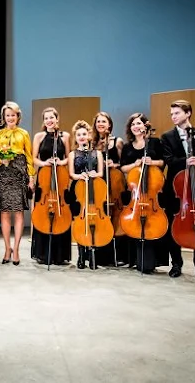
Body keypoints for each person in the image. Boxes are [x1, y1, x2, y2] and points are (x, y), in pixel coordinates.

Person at [160, 100, 195, 281]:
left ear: (188, 113)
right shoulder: (166, 136)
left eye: (177, 113)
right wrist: (186, 160)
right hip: (175, 189)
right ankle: (176, 264)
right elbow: (168, 160)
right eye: (172, 114)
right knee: (175, 227)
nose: (173, 116)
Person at [120, 112, 169, 274]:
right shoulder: (127, 147)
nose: (136, 126)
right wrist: (135, 164)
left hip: (152, 193)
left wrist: (152, 162)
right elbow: (123, 168)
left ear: (145, 126)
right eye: (133, 124)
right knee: (133, 225)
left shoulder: (154, 142)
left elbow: (163, 162)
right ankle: (134, 260)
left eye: (139, 123)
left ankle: (153, 261)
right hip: (135, 194)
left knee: (153, 225)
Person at [0, 101, 35, 265]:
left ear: (17, 116)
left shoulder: (24, 133)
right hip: (4, 175)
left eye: (13, 115)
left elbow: (29, 157)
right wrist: (1, 160)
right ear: (4, 117)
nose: (10, 118)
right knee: (5, 212)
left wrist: (31, 178)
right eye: (7, 115)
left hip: (19, 174)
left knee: (19, 212)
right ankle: (7, 248)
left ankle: (16, 249)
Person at [31, 107, 71, 265]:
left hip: (60, 177)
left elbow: (69, 157)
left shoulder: (65, 136)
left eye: (51, 118)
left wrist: (61, 162)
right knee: (43, 213)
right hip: (44, 178)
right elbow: (34, 158)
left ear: (57, 119)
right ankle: (43, 253)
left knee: (61, 212)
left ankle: (59, 254)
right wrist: (45, 163)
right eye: (46, 118)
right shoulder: (39, 136)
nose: (49, 120)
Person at [90, 111, 129, 266]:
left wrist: (115, 164)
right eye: (98, 121)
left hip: (114, 182)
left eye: (104, 122)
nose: (101, 124)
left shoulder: (117, 141)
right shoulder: (92, 143)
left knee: (116, 215)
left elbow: (123, 163)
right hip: (98, 182)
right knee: (100, 215)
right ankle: (100, 255)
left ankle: (119, 255)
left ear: (109, 124)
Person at [67, 120, 103, 269]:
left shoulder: (97, 153)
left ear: (89, 136)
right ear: (76, 138)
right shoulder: (72, 154)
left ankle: (92, 254)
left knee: (93, 222)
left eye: (84, 134)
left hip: (94, 189)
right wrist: (79, 176)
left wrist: (95, 174)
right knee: (80, 222)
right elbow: (71, 175)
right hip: (78, 190)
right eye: (78, 135)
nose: (81, 137)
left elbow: (101, 172)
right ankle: (81, 256)